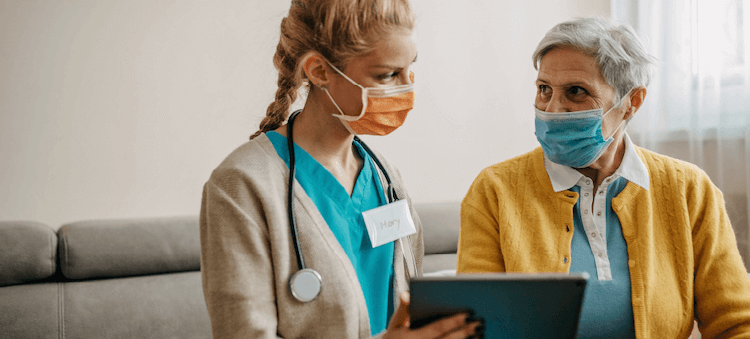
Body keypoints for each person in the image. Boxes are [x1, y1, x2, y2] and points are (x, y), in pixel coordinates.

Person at [200, 1, 483, 338]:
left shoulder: (385, 177)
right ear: (319, 71)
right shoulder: (241, 185)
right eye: (387, 74)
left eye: (410, 70)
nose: (407, 89)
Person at [457, 17, 750, 338]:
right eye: (544, 90)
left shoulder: (689, 190)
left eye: (576, 92)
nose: (553, 108)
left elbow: (735, 322)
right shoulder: (495, 190)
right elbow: (474, 328)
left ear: (631, 103)